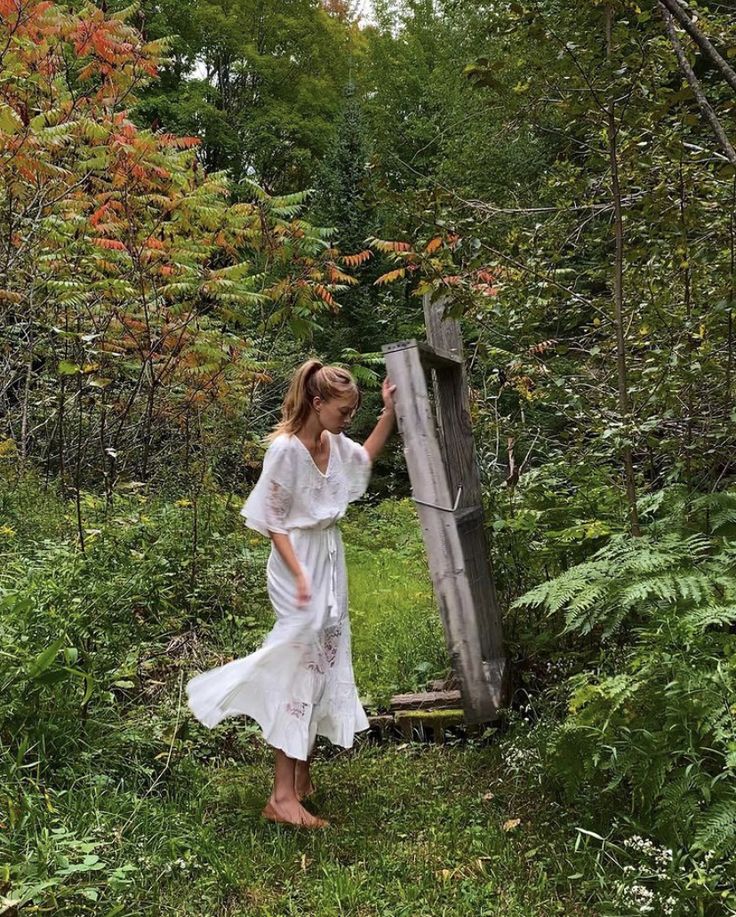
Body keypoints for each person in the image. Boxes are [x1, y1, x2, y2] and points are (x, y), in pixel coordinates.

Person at [186, 359, 397, 828]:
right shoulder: (284, 451)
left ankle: (300, 778)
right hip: (295, 562)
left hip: (327, 559)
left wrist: (388, 415)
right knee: (297, 665)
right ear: (316, 403)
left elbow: (363, 460)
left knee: (324, 660)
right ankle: (281, 797)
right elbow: (272, 520)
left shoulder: (333, 442)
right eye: (343, 411)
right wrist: (300, 575)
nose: (347, 420)